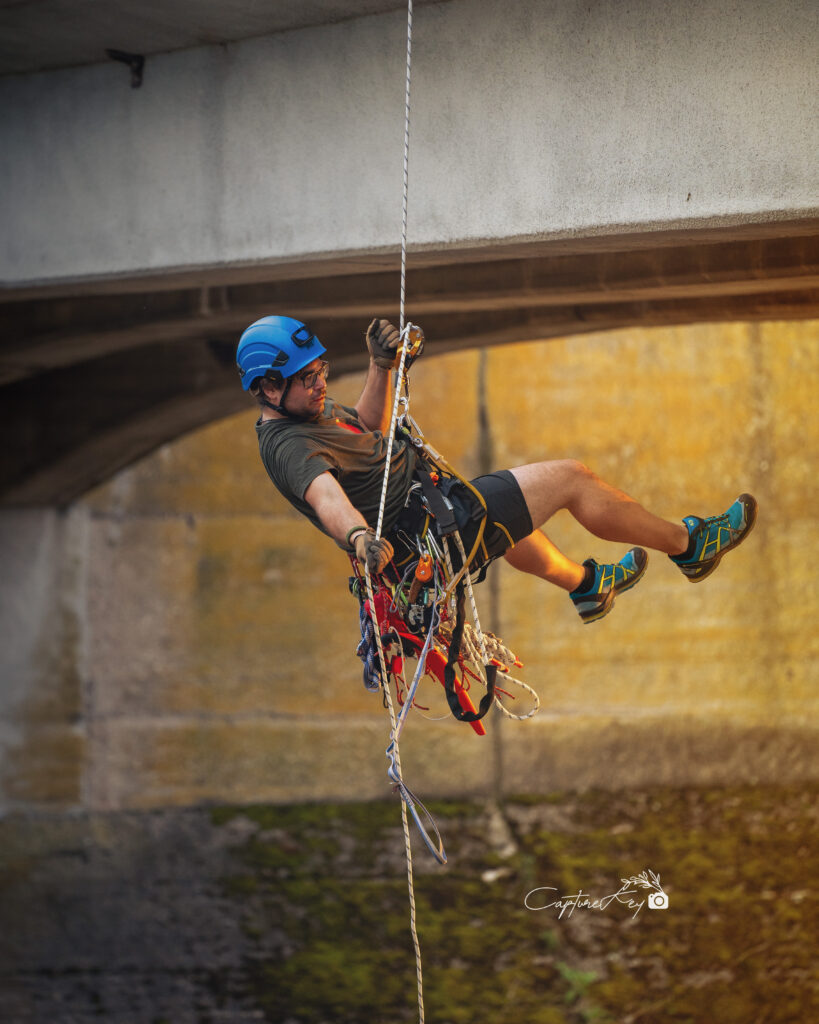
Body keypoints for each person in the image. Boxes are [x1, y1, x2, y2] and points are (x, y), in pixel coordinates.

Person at [237, 315, 757, 624]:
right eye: (304, 378)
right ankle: (691, 547)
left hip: (434, 508)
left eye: (320, 370)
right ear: (267, 388)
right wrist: (357, 537)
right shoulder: (287, 446)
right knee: (570, 478)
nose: (319, 383)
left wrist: (379, 365)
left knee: (508, 524)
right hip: (429, 531)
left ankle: (587, 587)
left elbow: (372, 431)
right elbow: (326, 496)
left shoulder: (311, 409)